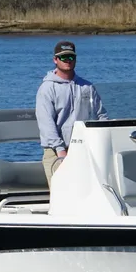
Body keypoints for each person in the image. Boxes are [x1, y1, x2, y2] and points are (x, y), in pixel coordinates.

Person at [35, 40, 107, 185]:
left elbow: (101, 116)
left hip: (84, 150)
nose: (68, 60)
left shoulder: (87, 86)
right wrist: (61, 151)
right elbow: (46, 124)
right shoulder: (47, 88)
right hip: (56, 152)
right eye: (63, 57)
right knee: (61, 195)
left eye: (71, 57)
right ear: (55, 60)